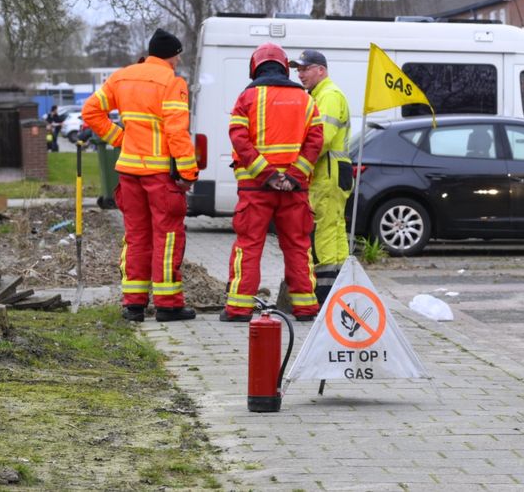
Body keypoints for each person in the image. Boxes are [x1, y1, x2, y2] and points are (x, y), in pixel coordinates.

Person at [82, 28, 199, 323]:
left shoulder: (122, 76)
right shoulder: (172, 83)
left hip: (129, 173)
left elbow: (90, 111)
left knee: (136, 237)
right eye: (178, 56)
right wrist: (188, 172)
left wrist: (120, 139)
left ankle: (133, 305)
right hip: (160, 175)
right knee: (167, 237)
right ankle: (168, 305)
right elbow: (176, 131)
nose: (178, 62)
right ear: (172, 56)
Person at [223, 43, 324, 322]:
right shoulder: (306, 100)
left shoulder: (247, 97)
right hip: (295, 189)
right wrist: (293, 176)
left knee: (249, 245)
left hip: (257, 189)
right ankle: (305, 308)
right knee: (298, 247)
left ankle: (239, 309)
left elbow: (238, 137)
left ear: (255, 67)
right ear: (283, 67)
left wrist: (266, 175)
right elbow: (315, 141)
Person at [289, 50, 351, 305]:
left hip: (328, 172)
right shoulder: (321, 95)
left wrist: (294, 158)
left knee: (325, 229)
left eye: (305, 69)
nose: (300, 74)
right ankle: (341, 284)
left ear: (321, 70)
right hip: (335, 171)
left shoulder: (328, 96)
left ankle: (325, 292)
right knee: (335, 228)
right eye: (298, 70)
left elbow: (321, 139)